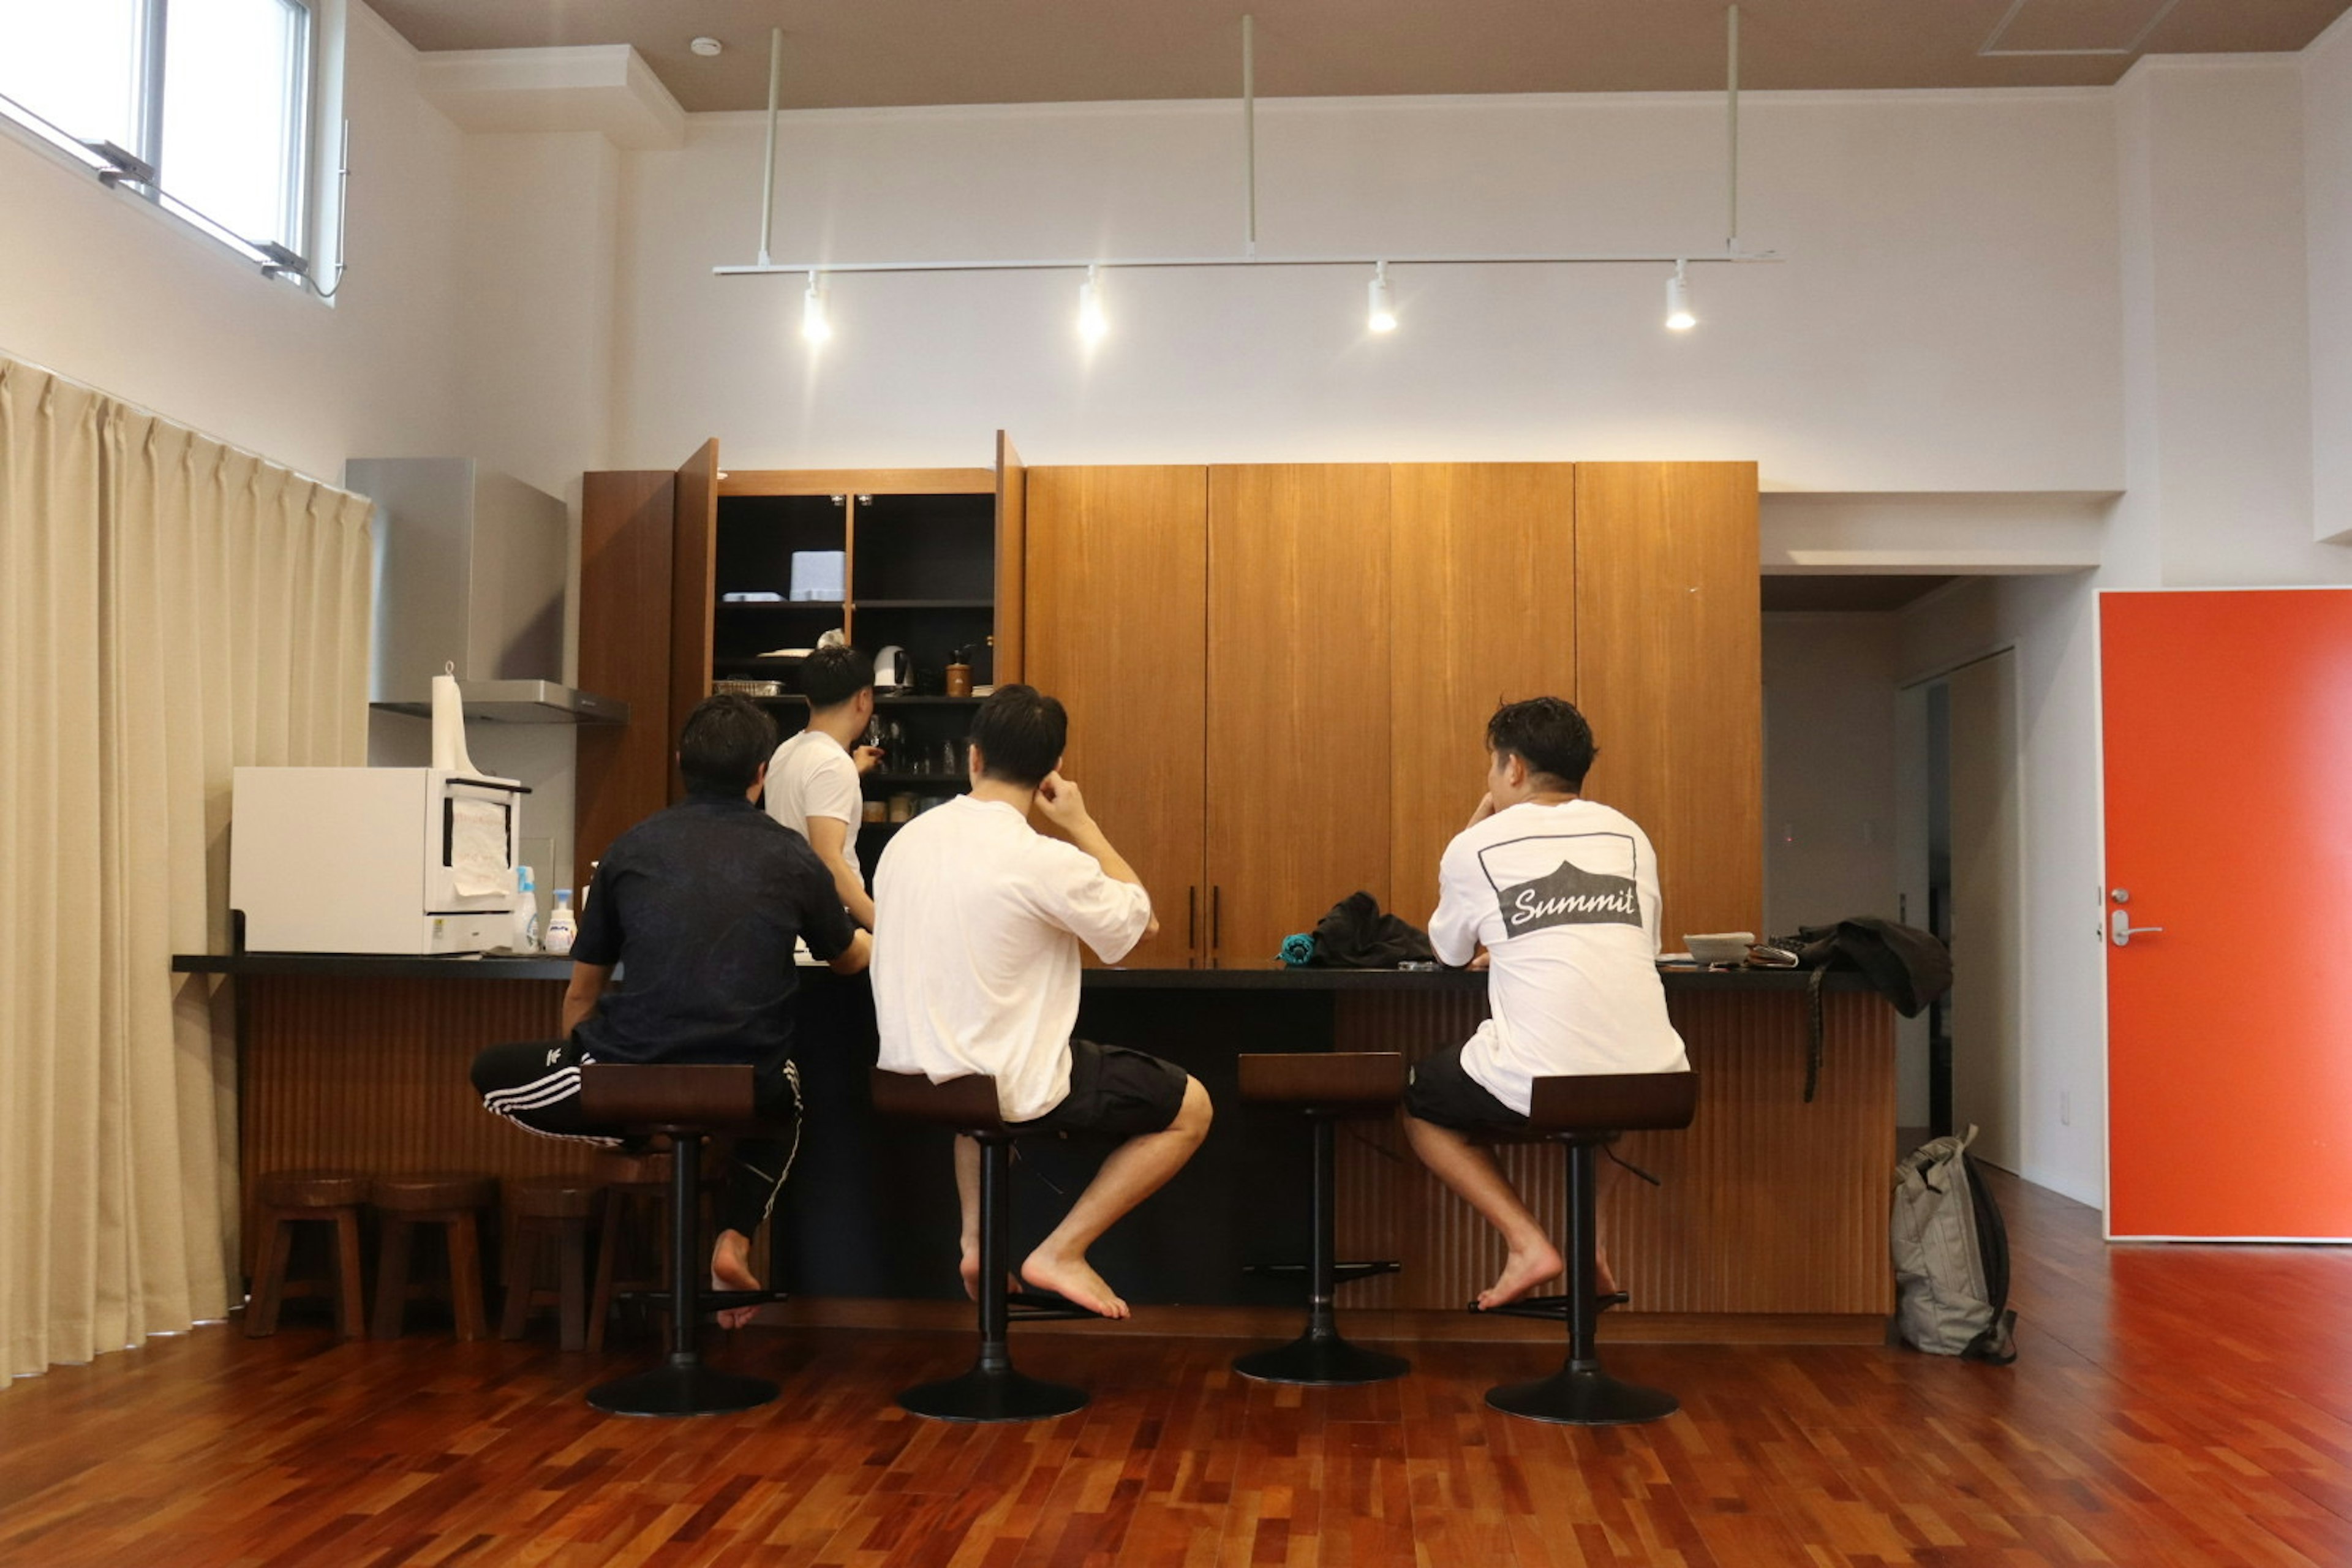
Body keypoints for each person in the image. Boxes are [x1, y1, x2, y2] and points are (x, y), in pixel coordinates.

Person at [472, 693, 872, 1327]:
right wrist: (898, 936)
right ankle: (733, 1239)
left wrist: (594, 1070)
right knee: (789, 1096)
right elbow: (849, 959)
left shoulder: (630, 848)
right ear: (761, 773)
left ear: (682, 760)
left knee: (491, 1070)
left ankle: (636, 1127)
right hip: (745, 1085)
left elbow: (583, 991)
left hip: (631, 1070)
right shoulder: (792, 855)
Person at [870, 684, 1212, 1319]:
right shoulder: (1041, 858)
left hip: (912, 1077)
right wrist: (1082, 823)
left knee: (971, 1076)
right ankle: (1062, 1250)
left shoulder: (904, 843)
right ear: (1052, 772)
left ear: (973, 758)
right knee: (1192, 1105)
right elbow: (1142, 926)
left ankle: (976, 1241)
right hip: (1006, 1083)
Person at [1400, 696, 1689, 1311]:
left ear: (1512, 768)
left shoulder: (1476, 845)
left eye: (1491, 767)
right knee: (1619, 1084)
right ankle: (1591, 1245)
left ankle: (1528, 1243)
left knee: (1421, 1098)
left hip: (1543, 1079)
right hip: (1660, 1078)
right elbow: (1644, 940)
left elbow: (1448, 953)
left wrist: (1476, 828)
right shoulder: (1629, 833)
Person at [764, 644, 884, 928]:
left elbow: (811, 796)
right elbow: (827, 859)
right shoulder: (832, 764)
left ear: (809, 699)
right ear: (864, 699)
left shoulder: (787, 750)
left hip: (790, 910)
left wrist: (853, 771)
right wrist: (882, 928)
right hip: (831, 919)